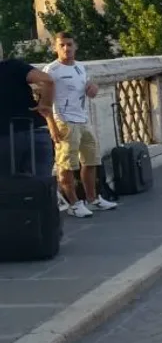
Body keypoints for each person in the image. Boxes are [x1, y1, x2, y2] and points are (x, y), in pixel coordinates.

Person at [44, 32, 118, 218]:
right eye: (61, 45)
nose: (66, 48)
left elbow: (88, 91)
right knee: (67, 164)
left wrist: (93, 87)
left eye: (69, 44)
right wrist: (52, 126)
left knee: (91, 160)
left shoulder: (80, 68)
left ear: (75, 46)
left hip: (84, 120)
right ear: (55, 48)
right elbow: (44, 102)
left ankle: (93, 199)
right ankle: (74, 203)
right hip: (64, 121)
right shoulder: (51, 70)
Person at [0, 42, 55, 180]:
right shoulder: (14, 65)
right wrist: (45, 103)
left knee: (9, 192)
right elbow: (47, 80)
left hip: (5, 138)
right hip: (36, 132)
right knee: (41, 189)